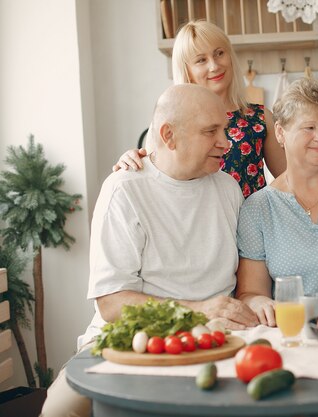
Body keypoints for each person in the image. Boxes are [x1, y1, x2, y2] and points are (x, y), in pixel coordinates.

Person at [41, 84, 259, 417]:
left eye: (225, 130)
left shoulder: (229, 189)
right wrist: (200, 309)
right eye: (210, 131)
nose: (226, 143)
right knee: (58, 411)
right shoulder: (124, 189)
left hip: (212, 339)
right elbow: (112, 303)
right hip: (126, 341)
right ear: (168, 136)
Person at [113, 20, 318, 197]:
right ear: (187, 70)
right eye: (201, 60)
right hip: (197, 237)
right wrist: (129, 160)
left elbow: (295, 179)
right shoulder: (171, 123)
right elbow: (152, 180)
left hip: (252, 234)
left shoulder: (260, 118)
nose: (214, 66)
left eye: (219, 53)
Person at [235, 77, 318, 326]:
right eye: (309, 128)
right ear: (281, 133)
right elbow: (250, 293)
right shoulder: (258, 209)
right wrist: (258, 302)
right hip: (294, 335)